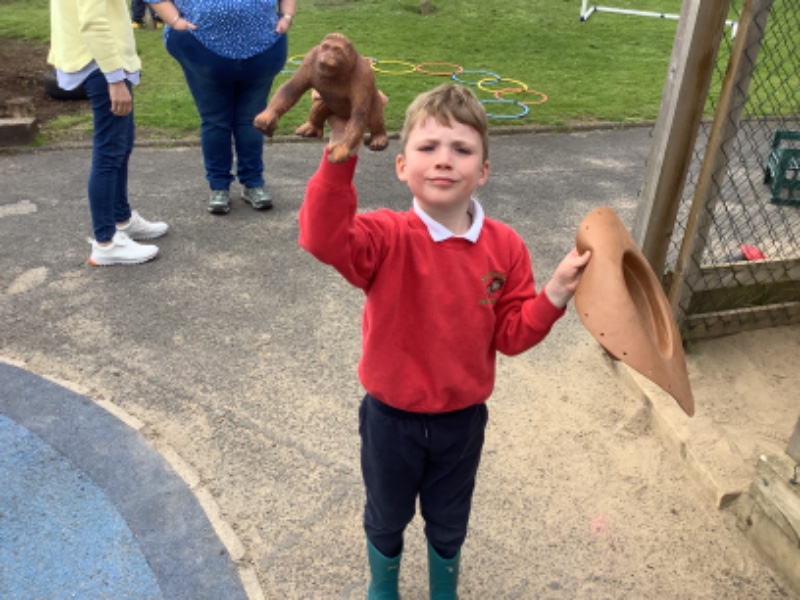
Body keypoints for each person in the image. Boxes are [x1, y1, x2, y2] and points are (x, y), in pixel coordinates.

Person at [298, 83, 591, 598]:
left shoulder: (505, 246)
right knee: (386, 514)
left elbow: (512, 334)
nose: (444, 160)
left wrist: (555, 292)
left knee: (450, 517)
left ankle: (443, 589)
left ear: (483, 171)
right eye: (428, 147)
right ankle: (383, 587)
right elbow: (322, 239)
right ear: (401, 165)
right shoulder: (385, 235)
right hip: (391, 419)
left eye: (462, 149)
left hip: (461, 421)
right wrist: (340, 154)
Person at [145, 0, 294, 214]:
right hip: (202, 49)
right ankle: (219, 186)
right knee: (215, 120)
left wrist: (287, 16)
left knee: (251, 120)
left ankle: (253, 183)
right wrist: (175, 21)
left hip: (263, 48)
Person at [49, 0, 169, 266]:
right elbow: (93, 22)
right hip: (101, 65)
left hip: (102, 61)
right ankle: (106, 242)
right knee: (110, 151)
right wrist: (114, 78)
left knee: (121, 146)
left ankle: (121, 219)